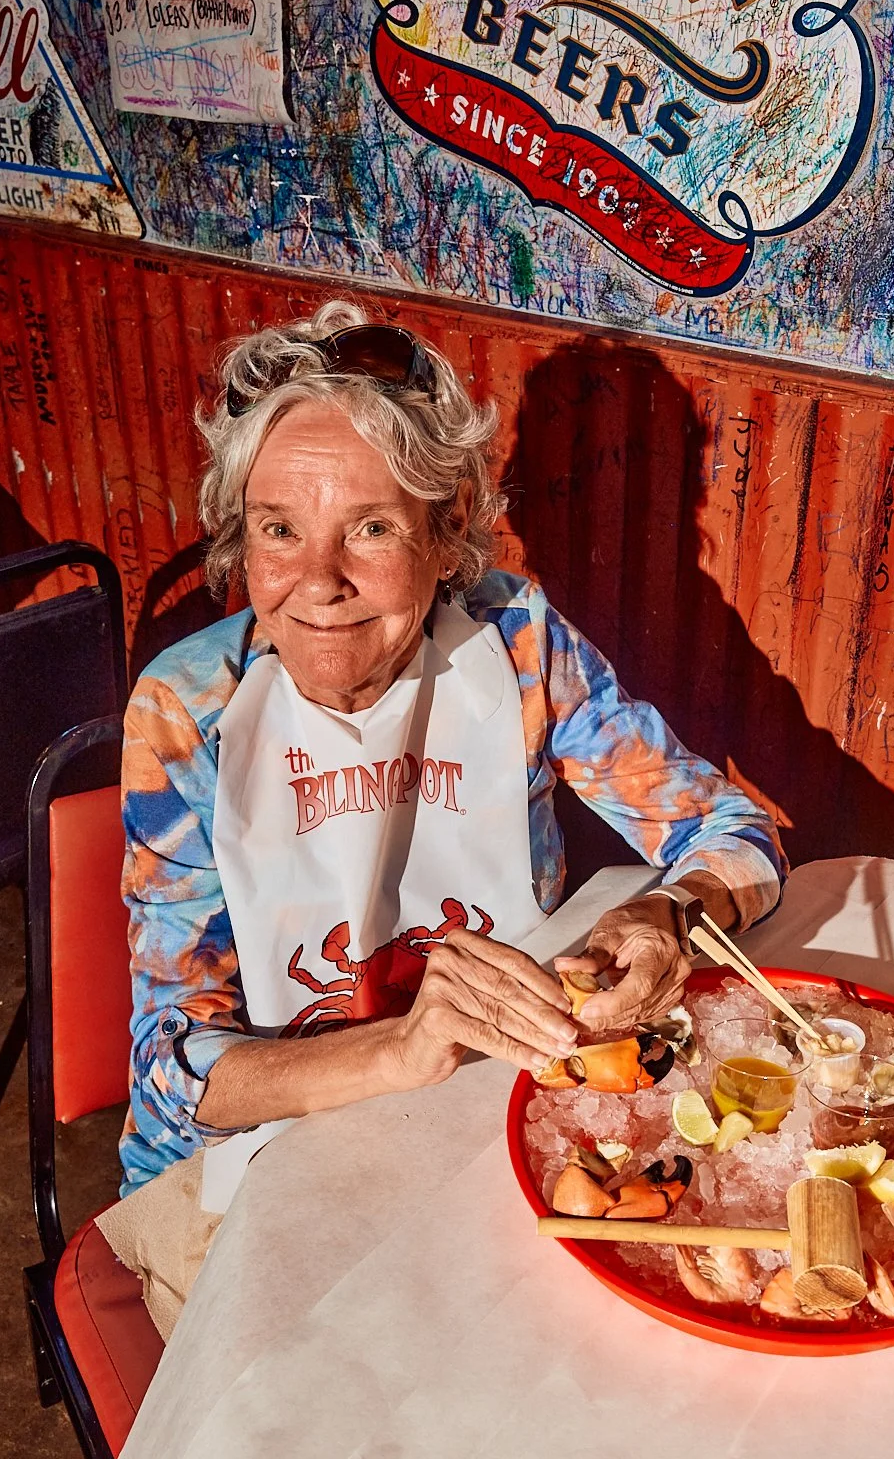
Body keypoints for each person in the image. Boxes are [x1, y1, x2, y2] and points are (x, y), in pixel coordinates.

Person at [119, 300, 786, 1193]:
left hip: (495, 1120)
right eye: (278, 529)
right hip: (253, 1173)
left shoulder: (516, 645)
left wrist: (666, 915)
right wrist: (401, 1049)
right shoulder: (187, 708)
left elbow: (735, 833)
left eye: (370, 527)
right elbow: (170, 1078)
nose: (317, 582)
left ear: (445, 534)